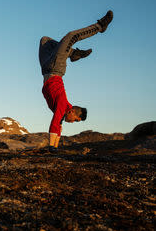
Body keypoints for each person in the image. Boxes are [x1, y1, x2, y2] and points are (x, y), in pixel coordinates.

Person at [39, 10, 114, 152]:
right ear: (72, 112)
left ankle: (74, 54)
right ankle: (100, 27)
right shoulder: (63, 104)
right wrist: (51, 147)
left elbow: (59, 125)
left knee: (45, 40)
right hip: (55, 68)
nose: (72, 122)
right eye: (75, 120)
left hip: (45, 68)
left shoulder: (61, 111)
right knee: (71, 36)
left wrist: (54, 147)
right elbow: (55, 123)